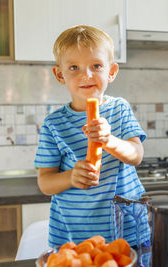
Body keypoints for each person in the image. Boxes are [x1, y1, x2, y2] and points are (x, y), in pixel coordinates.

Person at [34, 25, 149, 248]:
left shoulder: (120, 109)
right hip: (75, 236)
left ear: (111, 71)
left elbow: (136, 155)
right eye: (74, 67)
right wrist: (70, 177)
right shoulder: (54, 124)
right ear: (59, 74)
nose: (86, 75)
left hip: (128, 231)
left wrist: (109, 140)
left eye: (96, 66)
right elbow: (45, 182)